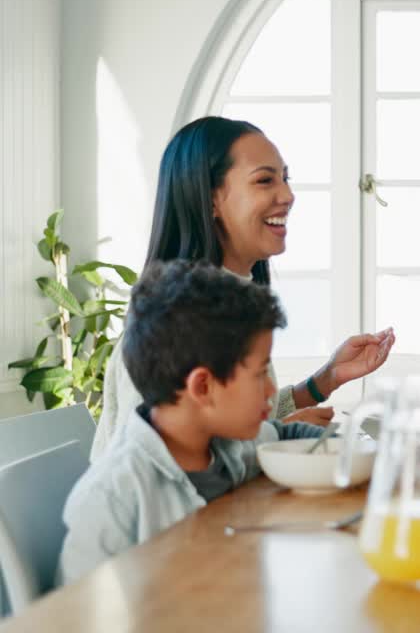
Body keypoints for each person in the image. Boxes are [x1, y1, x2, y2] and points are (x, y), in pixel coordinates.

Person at [91, 116, 395, 461]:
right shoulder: (172, 318)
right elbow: (152, 463)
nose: (288, 195)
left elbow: (224, 422)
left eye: (285, 178)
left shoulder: (231, 300)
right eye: (265, 180)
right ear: (210, 200)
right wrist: (272, 442)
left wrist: (323, 382)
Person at [61, 261, 325, 582]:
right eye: (259, 375)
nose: (271, 390)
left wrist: (373, 455)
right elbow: (75, 616)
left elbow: (287, 434)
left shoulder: (229, 445)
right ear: (202, 387)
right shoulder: (112, 498)